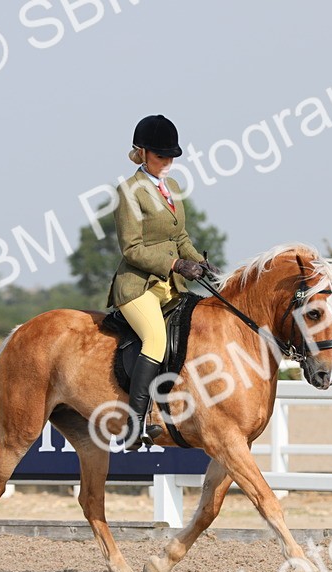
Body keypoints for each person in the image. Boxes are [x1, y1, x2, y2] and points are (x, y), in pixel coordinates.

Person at [107, 114, 215, 449]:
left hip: (171, 287)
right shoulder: (128, 192)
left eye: (171, 157)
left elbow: (180, 234)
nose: (167, 163)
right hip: (137, 287)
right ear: (141, 153)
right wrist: (175, 263)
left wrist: (199, 262)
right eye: (160, 157)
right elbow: (132, 248)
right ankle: (135, 423)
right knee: (155, 339)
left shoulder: (174, 188)